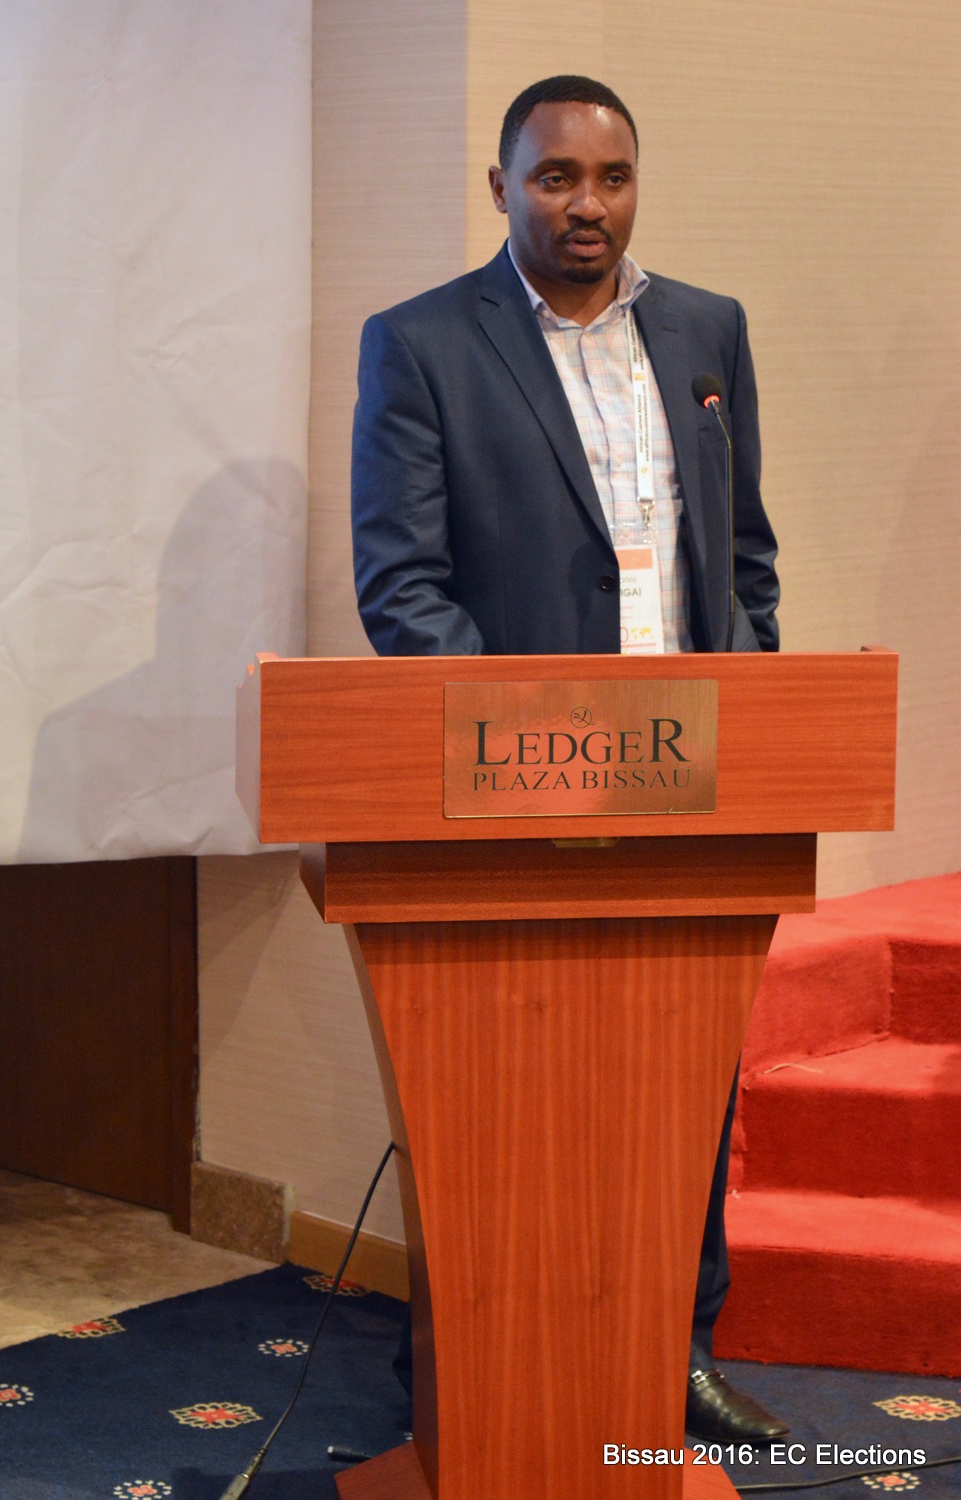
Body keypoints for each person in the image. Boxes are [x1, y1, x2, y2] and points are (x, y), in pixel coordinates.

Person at [351, 74, 785, 1444]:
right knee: (512, 1099)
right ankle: (483, 1366)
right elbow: (402, 585)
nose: (585, 203)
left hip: (694, 778)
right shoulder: (420, 343)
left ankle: (675, 1352)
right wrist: (519, 746)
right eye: (554, 177)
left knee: (685, 1083)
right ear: (502, 188)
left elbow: (743, 548)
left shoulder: (707, 328)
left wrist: (757, 689)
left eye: (609, 176)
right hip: (516, 796)